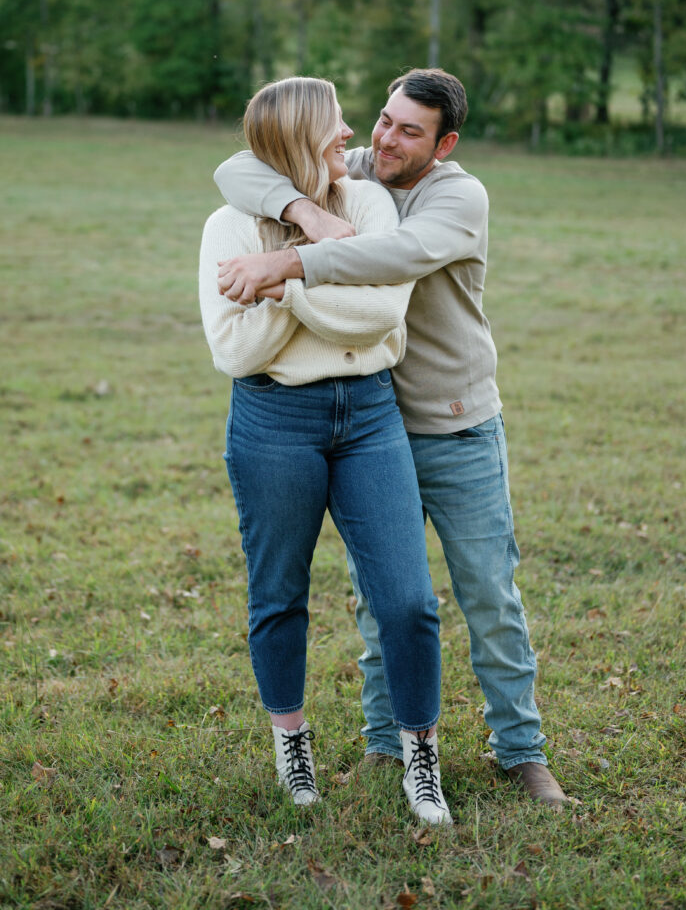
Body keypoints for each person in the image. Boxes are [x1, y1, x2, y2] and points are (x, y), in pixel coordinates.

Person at [212, 68, 570, 810]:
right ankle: (385, 745)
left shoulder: (455, 196)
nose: (384, 139)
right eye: (382, 120)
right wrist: (301, 211)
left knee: (486, 596)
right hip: (374, 423)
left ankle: (521, 752)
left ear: (444, 143)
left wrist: (286, 259)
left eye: (409, 130)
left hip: (455, 422)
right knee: (384, 603)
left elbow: (391, 259)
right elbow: (237, 165)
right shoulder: (362, 173)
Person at [199, 76, 452, 824]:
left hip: (370, 415)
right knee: (278, 593)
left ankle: (421, 758)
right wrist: (312, 285)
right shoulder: (228, 225)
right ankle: (292, 743)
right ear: (298, 138)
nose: (350, 136)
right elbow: (234, 351)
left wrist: (284, 284)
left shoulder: (370, 205)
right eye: (335, 126)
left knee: (408, 600)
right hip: (273, 418)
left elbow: (378, 316)